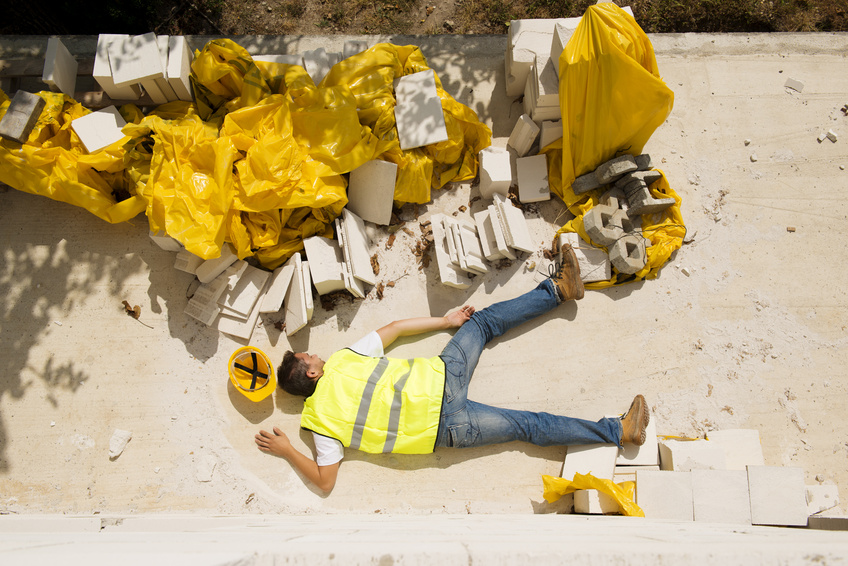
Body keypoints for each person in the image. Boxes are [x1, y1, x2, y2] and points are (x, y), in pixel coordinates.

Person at [255, 244, 650, 492]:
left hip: (447, 430)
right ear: (311, 374)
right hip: (444, 379)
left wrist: (289, 449)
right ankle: (558, 290)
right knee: (482, 323)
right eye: (311, 359)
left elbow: (325, 482)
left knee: (528, 425)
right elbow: (392, 331)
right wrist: (446, 322)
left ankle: (618, 430)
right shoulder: (343, 361)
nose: (318, 357)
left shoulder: (320, 426)